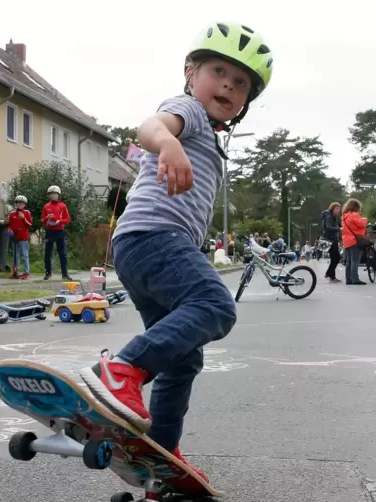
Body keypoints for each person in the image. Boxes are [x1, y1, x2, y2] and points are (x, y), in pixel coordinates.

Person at [79, 22, 273, 488]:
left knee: (184, 358)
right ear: (190, 73)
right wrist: (167, 142)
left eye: (240, 81)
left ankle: (160, 453)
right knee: (214, 306)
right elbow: (151, 126)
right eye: (218, 70)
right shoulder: (186, 111)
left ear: (245, 100)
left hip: (151, 247)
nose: (227, 82)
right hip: (153, 238)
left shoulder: (210, 137)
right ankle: (120, 369)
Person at [41, 185, 73, 281]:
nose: (53, 196)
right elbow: (42, 219)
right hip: (50, 231)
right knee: (48, 253)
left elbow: (68, 219)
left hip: (60, 231)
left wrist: (60, 221)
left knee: (62, 253)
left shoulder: (62, 206)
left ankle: (65, 273)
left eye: (55, 194)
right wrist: (47, 217)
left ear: (58, 195)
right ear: (48, 195)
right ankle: (48, 273)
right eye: (51, 194)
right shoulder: (46, 206)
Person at [341, 198, 367, 285]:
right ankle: (355, 279)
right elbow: (361, 224)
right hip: (354, 240)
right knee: (355, 260)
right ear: (356, 206)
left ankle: (348, 279)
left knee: (348, 261)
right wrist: (365, 220)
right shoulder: (355, 215)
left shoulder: (344, 216)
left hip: (346, 241)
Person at [7, 195, 32, 279]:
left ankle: (26, 272)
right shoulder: (12, 214)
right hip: (15, 237)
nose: (20, 204)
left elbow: (29, 225)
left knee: (25, 255)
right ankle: (15, 272)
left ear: (25, 204)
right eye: (18, 203)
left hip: (23, 237)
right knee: (15, 256)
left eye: (22, 203)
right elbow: (10, 225)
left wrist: (24, 219)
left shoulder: (27, 213)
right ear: (16, 204)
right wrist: (9, 230)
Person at [321, 202, 342, 283]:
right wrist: (339, 229)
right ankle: (328, 274)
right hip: (330, 239)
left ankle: (332, 276)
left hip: (333, 239)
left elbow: (338, 225)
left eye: (339, 209)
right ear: (332, 208)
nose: (338, 210)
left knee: (334, 258)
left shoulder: (332, 216)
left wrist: (341, 227)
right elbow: (328, 227)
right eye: (337, 208)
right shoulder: (328, 216)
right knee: (336, 257)